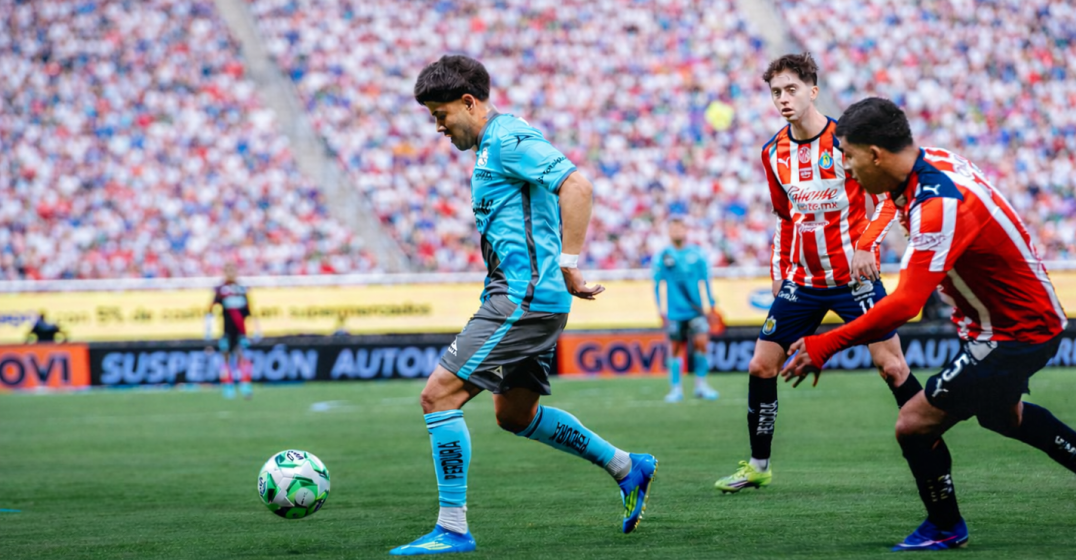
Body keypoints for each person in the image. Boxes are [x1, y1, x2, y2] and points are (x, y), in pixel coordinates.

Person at [781, 97, 1076, 550]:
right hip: (1001, 321)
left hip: (1016, 331)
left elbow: (906, 305)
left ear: (875, 154)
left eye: (849, 156)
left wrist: (826, 344)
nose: (846, 169)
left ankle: (944, 526)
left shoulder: (938, 204)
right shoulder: (926, 164)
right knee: (1003, 418)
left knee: (913, 425)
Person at [391, 55, 657, 556]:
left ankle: (451, 529)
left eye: (441, 115)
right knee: (515, 414)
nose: (439, 127)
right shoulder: (492, 147)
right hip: (520, 296)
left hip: (525, 298)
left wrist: (570, 262)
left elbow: (576, 184)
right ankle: (627, 467)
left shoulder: (509, 139)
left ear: (469, 102)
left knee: (437, 397)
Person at [714, 53, 915, 494]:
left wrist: (867, 245)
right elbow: (786, 219)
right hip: (802, 283)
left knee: (891, 366)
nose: (782, 100)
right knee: (761, 366)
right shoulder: (773, 153)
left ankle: (927, 438)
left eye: (790, 90)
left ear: (813, 90)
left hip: (854, 281)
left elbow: (885, 200)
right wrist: (777, 270)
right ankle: (758, 465)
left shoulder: (848, 140)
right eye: (775, 93)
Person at [652, 217, 719, 402]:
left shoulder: (697, 254)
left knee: (701, 346)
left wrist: (711, 305)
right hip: (674, 312)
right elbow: (657, 285)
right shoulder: (663, 256)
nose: (676, 232)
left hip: (696, 311)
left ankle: (701, 386)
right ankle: (676, 389)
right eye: (673, 229)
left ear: (685, 230)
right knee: (674, 349)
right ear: (668, 232)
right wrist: (660, 309)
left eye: (679, 228)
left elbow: (706, 280)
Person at [205, 263, 260, 400]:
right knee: (226, 357)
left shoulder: (242, 289)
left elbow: (250, 311)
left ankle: (245, 384)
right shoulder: (220, 290)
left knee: (242, 356)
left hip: (241, 331)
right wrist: (208, 329)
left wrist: (257, 329)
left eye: (232, 270)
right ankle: (228, 386)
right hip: (226, 330)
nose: (230, 273)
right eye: (227, 270)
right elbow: (211, 310)